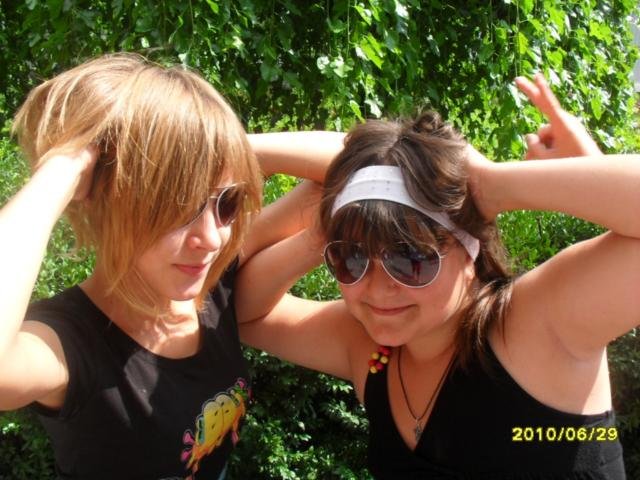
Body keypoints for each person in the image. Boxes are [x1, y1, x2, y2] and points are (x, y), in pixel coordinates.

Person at [237, 74, 639, 478]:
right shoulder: (369, 348)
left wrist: (492, 184)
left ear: (470, 251)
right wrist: (319, 223)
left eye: (411, 258)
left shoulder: (535, 326)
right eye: (351, 259)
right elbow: (241, 311)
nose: (377, 289)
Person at [0, 53, 341, 479]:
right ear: (107, 201)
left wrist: (214, 143)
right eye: (179, 206)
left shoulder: (210, 282)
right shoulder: (68, 344)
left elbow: (360, 166)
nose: (212, 238)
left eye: (227, 202)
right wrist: (64, 167)